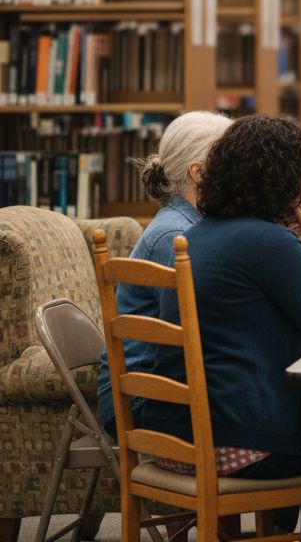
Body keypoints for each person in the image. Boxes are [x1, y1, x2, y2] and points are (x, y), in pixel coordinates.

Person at [140, 115, 301, 541]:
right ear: (287, 181)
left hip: (172, 438)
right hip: (234, 445)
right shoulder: (272, 244)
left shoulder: (196, 237)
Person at [96, 110, 231, 436]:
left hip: (161, 383)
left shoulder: (193, 226)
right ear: (199, 173)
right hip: (143, 397)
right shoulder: (175, 238)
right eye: (231, 159)